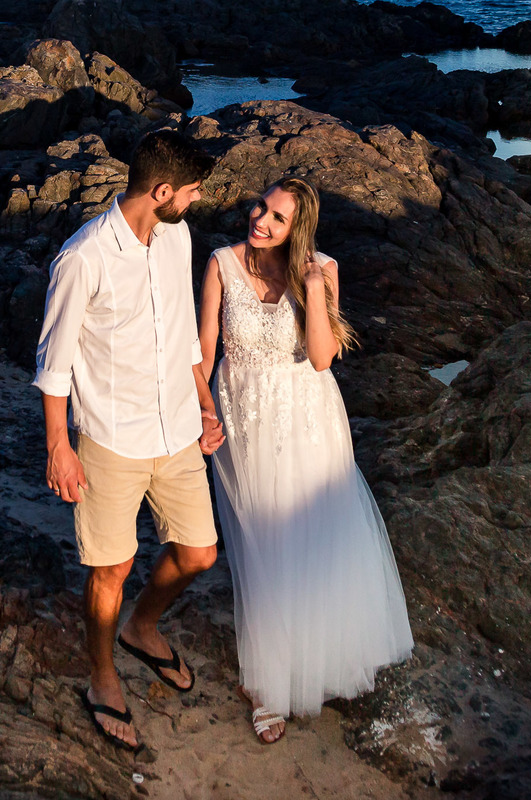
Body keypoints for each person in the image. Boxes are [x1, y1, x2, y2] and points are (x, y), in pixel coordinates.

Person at [196, 176, 413, 743]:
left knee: (313, 539)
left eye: (278, 218)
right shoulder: (221, 264)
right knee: (261, 540)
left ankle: (314, 660)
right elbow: (203, 351)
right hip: (244, 415)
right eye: (260, 207)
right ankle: (267, 685)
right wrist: (203, 411)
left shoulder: (324, 270)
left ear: (299, 229)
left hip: (308, 414)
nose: (261, 220)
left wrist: (314, 287)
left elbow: (321, 358)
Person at [34, 129, 221, 752]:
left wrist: (204, 402)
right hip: (111, 438)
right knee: (110, 567)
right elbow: (54, 362)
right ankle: (102, 675)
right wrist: (59, 447)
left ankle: (142, 627)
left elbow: (184, 334)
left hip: (178, 432)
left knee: (199, 554)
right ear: (161, 191)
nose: (196, 200)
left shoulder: (177, 237)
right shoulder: (83, 257)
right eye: (191, 190)